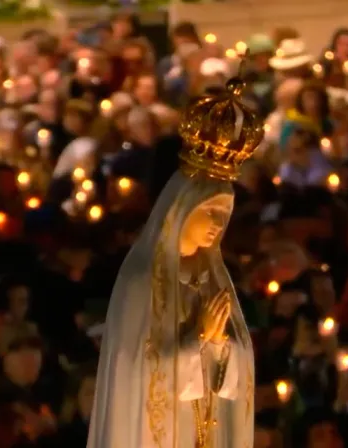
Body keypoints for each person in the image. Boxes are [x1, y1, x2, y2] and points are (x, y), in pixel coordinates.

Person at [87, 72, 261, 447]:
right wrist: (200, 339)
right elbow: (135, 375)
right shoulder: (141, 278)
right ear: (181, 210)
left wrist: (220, 346)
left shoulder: (215, 275)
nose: (219, 222)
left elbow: (240, 358)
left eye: (225, 212)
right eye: (210, 210)